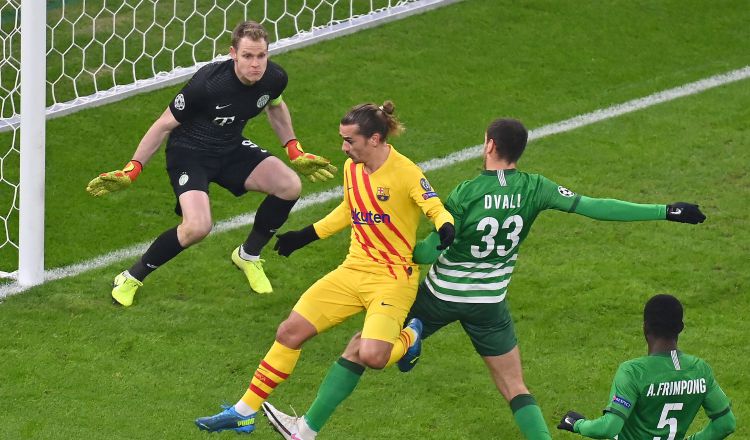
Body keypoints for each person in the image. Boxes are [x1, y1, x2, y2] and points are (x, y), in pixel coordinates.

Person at [262, 117, 709, 440]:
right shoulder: (536, 188)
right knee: (515, 387)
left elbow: (431, 248)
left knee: (361, 348)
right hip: (489, 303)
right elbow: (594, 205)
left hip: (438, 296)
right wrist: (664, 210)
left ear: (490, 144)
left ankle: (307, 430)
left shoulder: (467, 193)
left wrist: (393, 249)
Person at [193, 101, 455, 435]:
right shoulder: (353, 169)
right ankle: (244, 411)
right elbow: (350, 209)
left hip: (392, 279)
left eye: (350, 141)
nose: (344, 148)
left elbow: (435, 207)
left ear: (374, 139)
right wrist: (305, 236)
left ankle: (411, 336)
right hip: (353, 271)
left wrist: (445, 226)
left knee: (374, 356)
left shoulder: (406, 172)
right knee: (289, 332)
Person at [85, 21, 336, 306]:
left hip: (230, 148)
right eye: (248, 56)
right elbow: (163, 125)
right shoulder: (208, 84)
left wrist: (293, 149)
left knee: (290, 185)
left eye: (261, 56)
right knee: (197, 227)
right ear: (233, 54)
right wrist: (133, 169)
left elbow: (275, 107)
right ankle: (131, 276)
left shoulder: (275, 78)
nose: (256, 64)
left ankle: (247, 256)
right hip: (189, 153)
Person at [558, 294, 735, 439]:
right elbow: (725, 424)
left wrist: (577, 424)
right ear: (680, 328)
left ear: (645, 327)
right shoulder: (700, 370)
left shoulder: (633, 372)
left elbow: (609, 428)